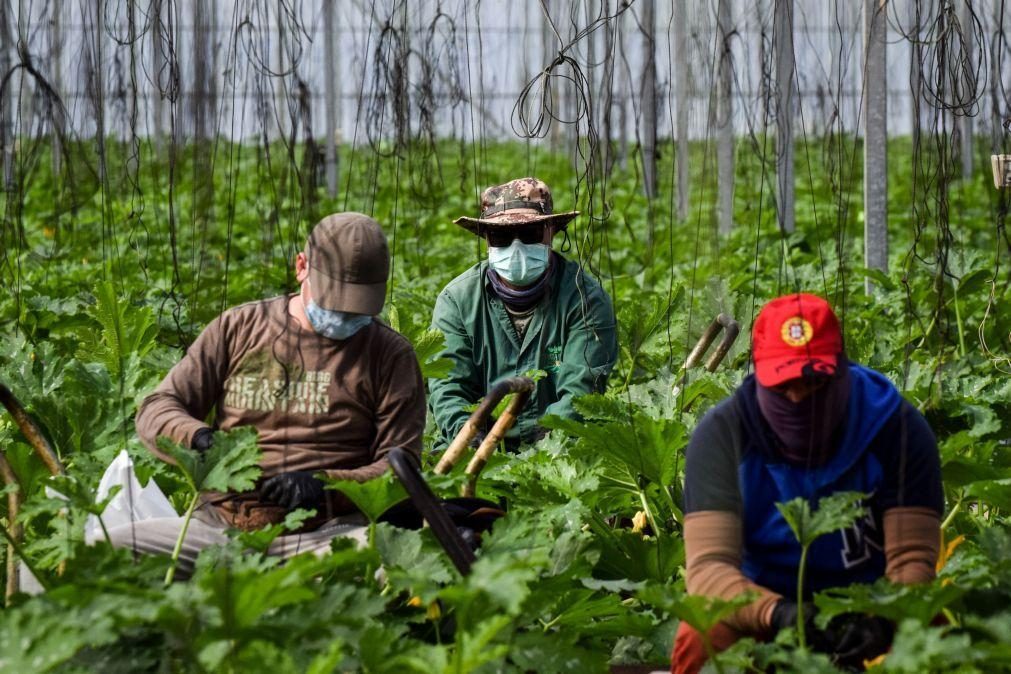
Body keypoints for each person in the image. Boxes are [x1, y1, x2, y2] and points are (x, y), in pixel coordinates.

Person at [105, 212, 426, 576]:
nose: (345, 315)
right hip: (219, 526)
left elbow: (401, 467)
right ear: (301, 267)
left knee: (393, 564)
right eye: (336, 301)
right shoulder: (238, 328)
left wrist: (326, 485)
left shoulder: (390, 355)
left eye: (359, 308)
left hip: (327, 535)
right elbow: (156, 409)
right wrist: (200, 440)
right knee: (106, 553)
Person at [672, 293, 943, 673]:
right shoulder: (722, 438)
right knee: (702, 634)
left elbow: (911, 559)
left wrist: (883, 620)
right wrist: (780, 614)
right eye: (782, 388)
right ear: (756, 373)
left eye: (815, 383)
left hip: (869, 601)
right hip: (760, 602)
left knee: (934, 635)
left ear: (842, 368)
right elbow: (709, 571)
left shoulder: (893, 427)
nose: (798, 399)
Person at [429, 177, 618, 448]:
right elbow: (448, 388)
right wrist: (471, 439)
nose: (516, 247)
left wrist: (541, 455)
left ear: (551, 231)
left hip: (560, 450)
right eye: (502, 236)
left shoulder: (584, 298)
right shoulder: (457, 300)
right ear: (486, 240)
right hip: (474, 447)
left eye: (529, 233)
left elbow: (581, 392)